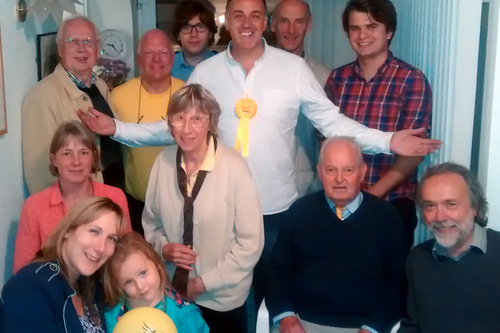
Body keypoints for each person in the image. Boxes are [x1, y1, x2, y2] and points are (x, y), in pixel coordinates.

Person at [76, 0, 440, 326]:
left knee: (273, 295)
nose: (246, 22)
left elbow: (332, 122)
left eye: (254, 15)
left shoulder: (293, 69)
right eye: (238, 15)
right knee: (214, 297)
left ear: (264, 21)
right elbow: (173, 126)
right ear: (228, 22)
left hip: (276, 209)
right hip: (217, 208)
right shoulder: (207, 72)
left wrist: (389, 140)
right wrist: (117, 129)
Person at [138, 84, 263, 333]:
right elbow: (151, 224)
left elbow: (250, 244)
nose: (186, 128)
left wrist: (204, 283)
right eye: (179, 118)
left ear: (211, 122)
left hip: (222, 300)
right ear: (170, 123)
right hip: (172, 294)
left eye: (197, 118)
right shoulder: (162, 162)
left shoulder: (235, 167)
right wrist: (164, 248)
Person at [267, 137, 407, 333]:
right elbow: (277, 271)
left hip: (363, 326)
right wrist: (286, 316)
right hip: (301, 322)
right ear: (320, 172)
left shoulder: (387, 218)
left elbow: (398, 282)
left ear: (362, 172)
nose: (339, 179)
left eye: (348, 170)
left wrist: (374, 327)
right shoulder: (299, 211)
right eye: (331, 170)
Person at [325, 0, 433, 250]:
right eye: (355, 28)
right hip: (339, 200)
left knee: (386, 283)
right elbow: (326, 137)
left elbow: (414, 152)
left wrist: (370, 196)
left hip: (391, 203)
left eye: (371, 26)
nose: (362, 35)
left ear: (389, 31)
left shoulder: (411, 80)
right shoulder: (337, 79)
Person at [22, 15, 124, 195]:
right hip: (80, 209)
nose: (81, 48)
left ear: (97, 48)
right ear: (61, 48)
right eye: (73, 41)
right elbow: (40, 173)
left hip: (112, 191)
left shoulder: (99, 84)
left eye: (87, 41)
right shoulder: (41, 97)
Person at [13, 121, 132, 273]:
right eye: (67, 154)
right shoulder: (34, 206)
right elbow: (22, 271)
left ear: (93, 157)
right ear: (54, 159)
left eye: (83, 153)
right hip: (53, 291)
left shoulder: (114, 197)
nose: (76, 162)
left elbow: (126, 255)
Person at [1, 196, 128, 333]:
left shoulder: (91, 286)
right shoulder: (30, 287)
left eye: (111, 239)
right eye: (94, 232)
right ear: (68, 230)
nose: (101, 248)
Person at [398, 162, 500, 333]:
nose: (440, 216)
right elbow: (412, 326)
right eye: (430, 205)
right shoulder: (418, 258)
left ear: (475, 207)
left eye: (450, 204)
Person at [111, 29, 184, 235]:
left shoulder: (188, 94)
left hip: (181, 200)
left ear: (172, 57)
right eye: (149, 53)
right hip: (136, 200)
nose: (157, 59)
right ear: (138, 58)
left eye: (162, 52)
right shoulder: (117, 96)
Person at [272, 0, 332, 196]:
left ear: (310, 24)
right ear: (272, 24)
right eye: (284, 21)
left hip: (308, 192)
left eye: (299, 21)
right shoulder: (255, 74)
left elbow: (330, 139)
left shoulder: (324, 78)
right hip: (262, 190)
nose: (291, 29)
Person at [103, 232, 209, 333]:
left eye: (143, 273)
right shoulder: (112, 316)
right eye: (128, 282)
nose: (140, 286)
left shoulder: (184, 314)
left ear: (156, 265)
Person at [171, 0, 218, 81]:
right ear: (178, 35)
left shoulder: (223, 63)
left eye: (200, 27)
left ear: (210, 33)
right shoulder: (166, 65)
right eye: (186, 27)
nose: (193, 34)